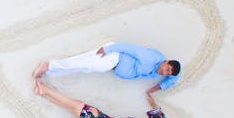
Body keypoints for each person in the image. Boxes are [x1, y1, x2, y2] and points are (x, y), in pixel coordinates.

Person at [33, 79, 167, 118]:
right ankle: (43, 93)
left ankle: (46, 90)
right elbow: (158, 114)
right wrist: (157, 113)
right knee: (73, 107)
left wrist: (96, 117)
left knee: (77, 105)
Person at [33, 41, 181, 94]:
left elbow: (173, 78)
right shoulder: (151, 58)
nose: (164, 72)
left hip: (113, 65)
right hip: (115, 56)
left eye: (167, 72)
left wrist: (157, 88)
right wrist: (108, 50)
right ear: (165, 61)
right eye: (166, 68)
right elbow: (129, 48)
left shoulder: (159, 74)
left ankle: (51, 70)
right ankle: (48, 65)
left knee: (84, 67)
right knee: (85, 64)